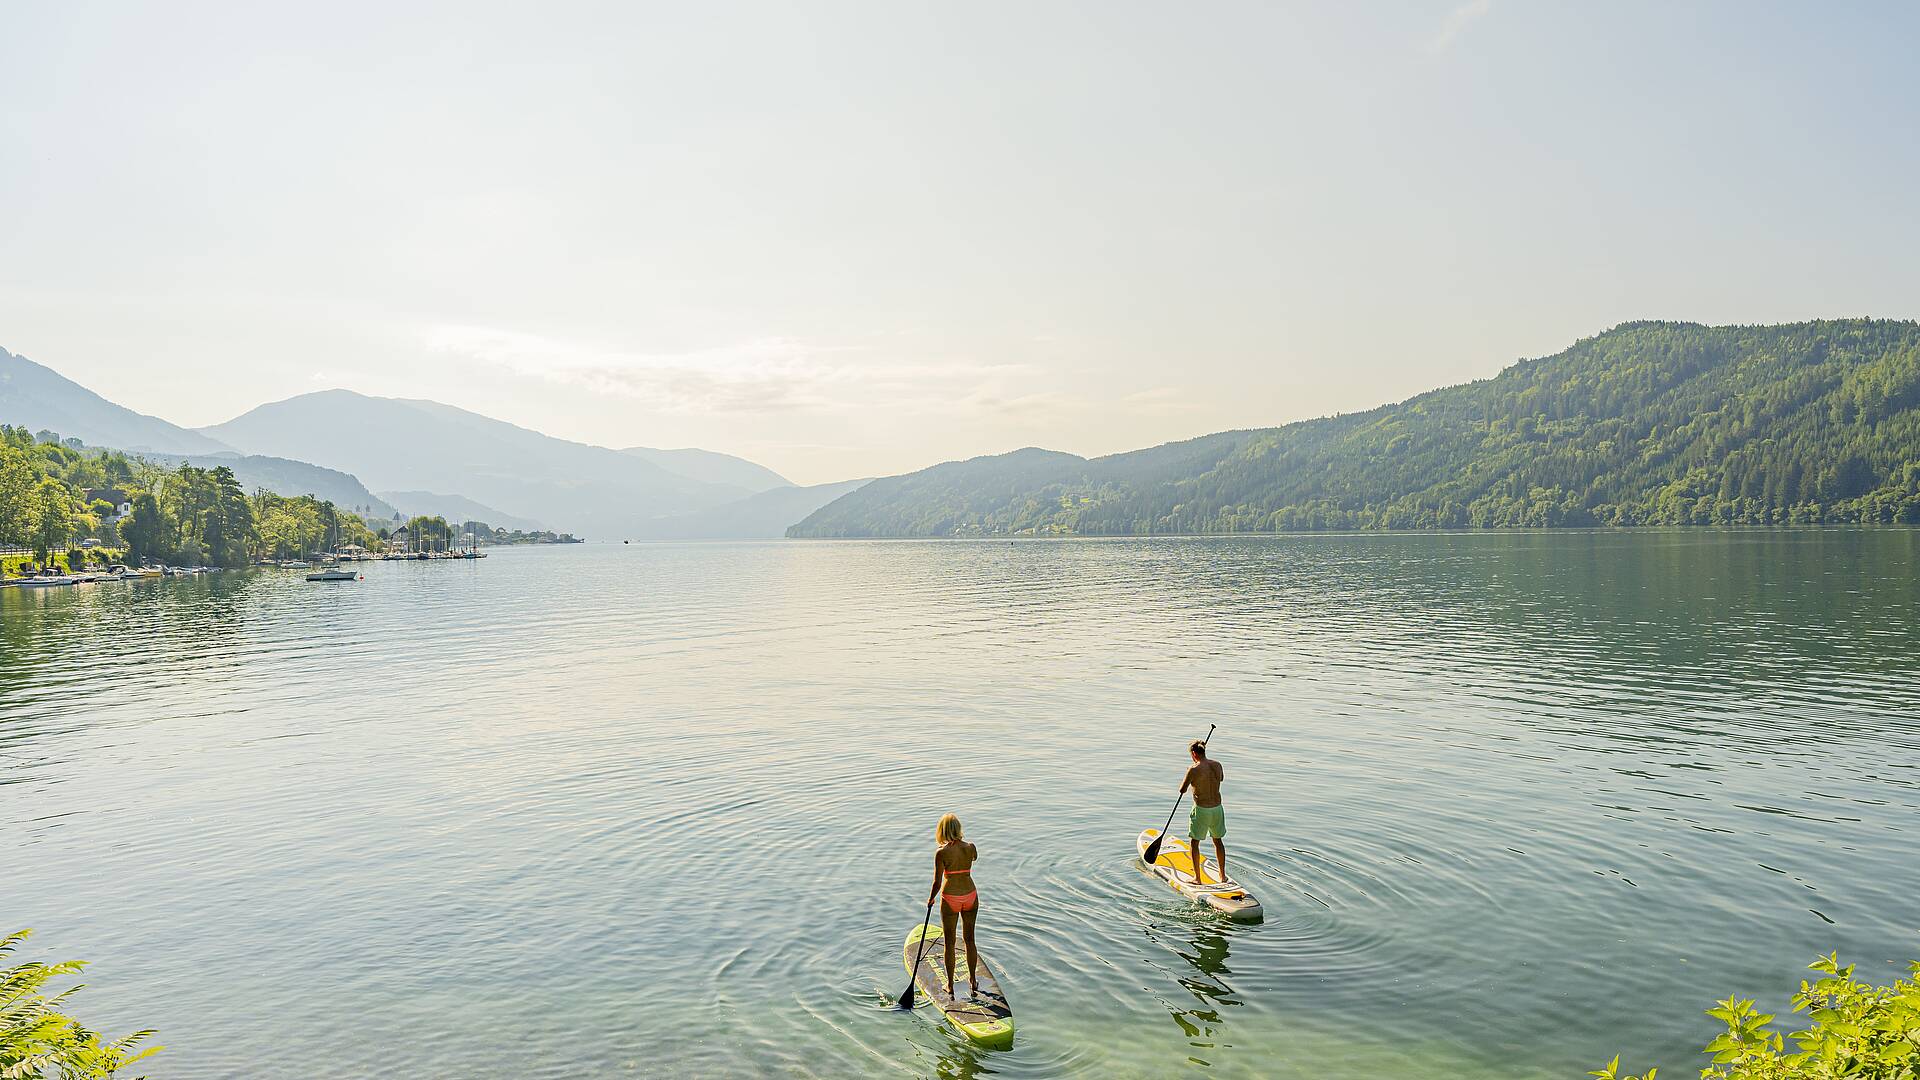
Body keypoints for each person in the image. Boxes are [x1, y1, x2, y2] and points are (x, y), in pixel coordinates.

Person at [926, 813, 981, 999]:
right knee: (970, 940)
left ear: (942, 831)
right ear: (958, 829)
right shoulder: (971, 847)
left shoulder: (941, 853)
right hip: (971, 895)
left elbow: (936, 881)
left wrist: (931, 899)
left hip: (951, 897)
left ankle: (949, 985)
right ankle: (973, 981)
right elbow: (974, 858)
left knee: (949, 943)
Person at [1181, 739, 1227, 884]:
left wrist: (1193, 772)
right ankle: (1223, 876)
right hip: (1217, 809)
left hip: (1202, 810)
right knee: (1217, 841)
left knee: (1194, 843)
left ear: (1194, 754)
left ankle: (1197, 878)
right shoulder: (1217, 765)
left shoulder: (1193, 769)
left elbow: (1182, 790)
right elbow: (1221, 778)